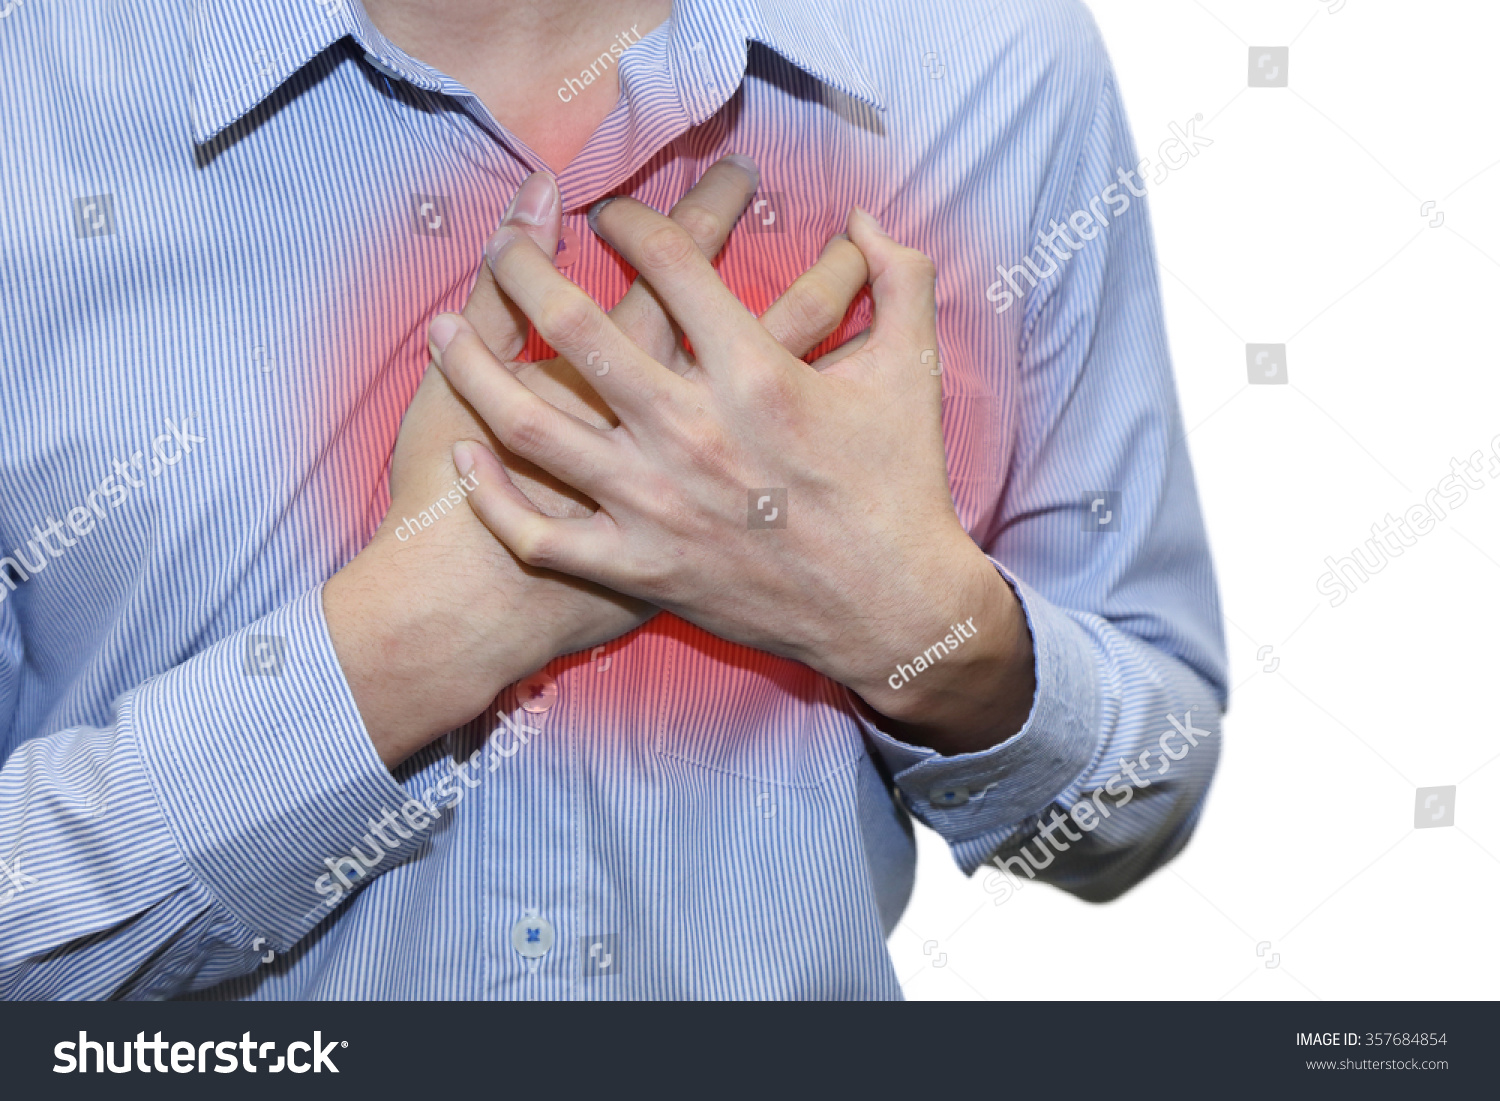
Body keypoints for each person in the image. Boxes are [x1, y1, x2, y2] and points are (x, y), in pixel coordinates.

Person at [0, 0, 1225, 999]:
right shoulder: (26, 93)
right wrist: (398, 655)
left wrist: (917, 629)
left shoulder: (992, 63)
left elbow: (1142, 791)